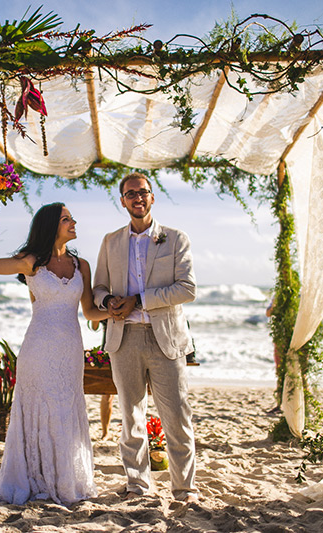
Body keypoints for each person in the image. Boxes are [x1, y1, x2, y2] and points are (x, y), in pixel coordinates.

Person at [0, 202, 109, 506]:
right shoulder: (31, 262)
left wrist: (116, 312)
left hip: (70, 349)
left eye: (72, 218)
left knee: (66, 408)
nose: (74, 222)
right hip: (39, 348)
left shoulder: (82, 265)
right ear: (51, 226)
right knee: (40, 408)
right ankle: (37, 476)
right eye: (66, 219)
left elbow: (89, 311)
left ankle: (63, 478)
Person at [93, 172, 199, 503]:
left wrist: (138, 300)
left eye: (143, 192)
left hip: (165, 338)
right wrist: (108, 303)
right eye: (130, 193)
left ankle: (184, 489)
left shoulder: (175, 238)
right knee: (131, 416)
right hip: (124, 339)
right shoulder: (110, 241)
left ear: (152, 197)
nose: (137, 198)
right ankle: (138, 485)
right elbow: (98, 288)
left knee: (177, 417)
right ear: (122, 201)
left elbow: (187, 289)